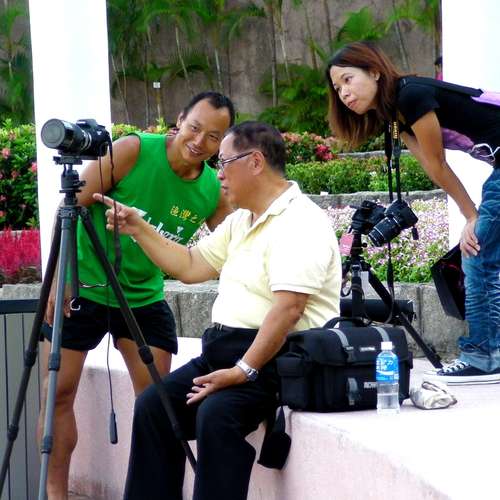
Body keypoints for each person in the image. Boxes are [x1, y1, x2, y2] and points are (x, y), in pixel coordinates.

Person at [96, 121, 341, 500]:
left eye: (224, 162)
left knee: (217, 415)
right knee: (155, 406)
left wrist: (243, 370)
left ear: (255, 162)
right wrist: (139, 228)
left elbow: (289, 309)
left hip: (278, 360)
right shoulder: (242, 220)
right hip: (222, 353)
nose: (218, 174)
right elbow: (191, 266)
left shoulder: (301, 222)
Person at [38, 91, 235, 499]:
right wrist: (60, 277)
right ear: (179, 120)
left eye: (214, 137)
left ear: (223, 143)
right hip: (85, 284)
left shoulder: (212, 190)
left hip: (143, 298)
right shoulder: (133, 150)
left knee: (158, 405)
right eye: (195, 128)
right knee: (57, 392)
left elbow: (235, 245)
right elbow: (70, 206)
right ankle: (56, 492)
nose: (200, 141)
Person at [326, 41, 500, 385]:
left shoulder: (411, 95)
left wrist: (471, 216)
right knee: (483, 255)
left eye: (348, 79)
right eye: (337, 88)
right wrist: (471, 214)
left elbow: (438, 163)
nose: (344, 93)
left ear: (374, 72)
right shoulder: (397, 115)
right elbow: (433, 169)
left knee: (477, 254)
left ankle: (484, 357)